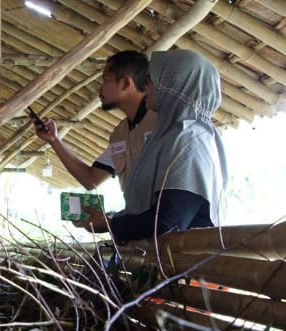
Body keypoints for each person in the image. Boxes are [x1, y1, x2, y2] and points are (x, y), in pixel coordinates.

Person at [79, 49, 227, 243]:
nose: (145, 85)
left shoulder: (190, 140)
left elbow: (168, 222)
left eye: (151, 80)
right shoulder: (170, 136)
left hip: (187, 266)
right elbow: (157, 210)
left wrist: (109, 224)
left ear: (172, 83)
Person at [35, 51, 157, 192]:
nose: (100, 89)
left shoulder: (163, 122)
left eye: (106, 80)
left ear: (125, 83)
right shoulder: (120, 134)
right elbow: (91, 179)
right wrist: (54, 140)